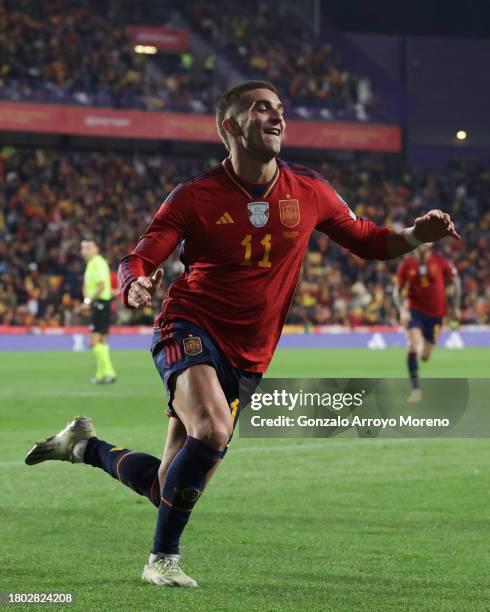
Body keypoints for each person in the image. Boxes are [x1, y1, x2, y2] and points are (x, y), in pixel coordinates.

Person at [25, 80, 460, 588]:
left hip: (249, 357)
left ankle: (84, 446)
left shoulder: (309, 189)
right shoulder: (195, 196)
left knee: (168, 485)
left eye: (279, 108)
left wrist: (414, 236)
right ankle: (161, 559)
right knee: (212, 430)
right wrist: (134, 285)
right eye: (261, 108)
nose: (277, 116)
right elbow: (138, 258)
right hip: (188, 326)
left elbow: (368, 239)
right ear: (230, 126)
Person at [393, 243, 461, 402]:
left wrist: (456, 306)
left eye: (424, 249)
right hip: (414, 311)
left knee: (424, 355)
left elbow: (455, 281)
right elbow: (397, 290)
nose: (420, 252)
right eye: (418, 249)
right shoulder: (406, 265)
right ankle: (415, 390)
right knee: (412, 344)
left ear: (429, 248)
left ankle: (423, 340)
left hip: (437, 314)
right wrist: (401, 310)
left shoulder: (441, 262)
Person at [80, 238, 117, 384]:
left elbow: (101, 285)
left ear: (96, 248)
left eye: (88, 247)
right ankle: (101, 374)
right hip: (98, 304)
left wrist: (88, 301)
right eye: (83, 248)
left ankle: (109, 372)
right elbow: (87, 286)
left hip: (100, 303)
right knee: (102, 341)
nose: (85, 250)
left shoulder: (98, 263)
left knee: (93, 341)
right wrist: (86, 302)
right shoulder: (90, 264)